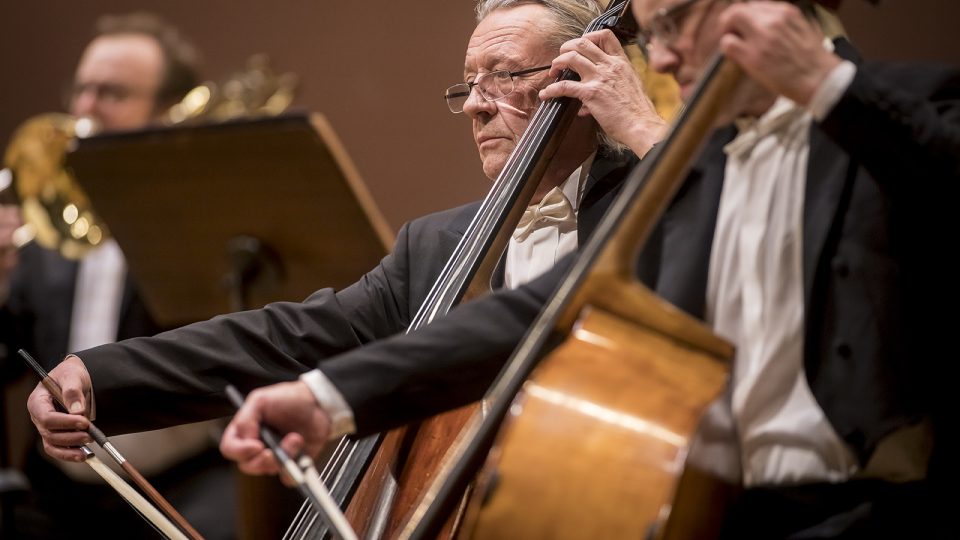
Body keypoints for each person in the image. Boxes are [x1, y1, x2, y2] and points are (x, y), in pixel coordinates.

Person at [204, 0, 957, 537]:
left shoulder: (911, 108)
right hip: (718, 513)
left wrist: (825, 84)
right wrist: (328, 396)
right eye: (649, 32)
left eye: (673, 26)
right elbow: (541, 310)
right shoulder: (704, 169)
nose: (657, 58)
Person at [25, 0, 665, 526]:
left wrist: (646, 129)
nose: (476, 103)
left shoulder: (664, 206)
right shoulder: (439, 244)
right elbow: (288, 337)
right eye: (469, 84)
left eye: (505, 76)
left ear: (585, 78)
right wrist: (103, 376)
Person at [0, 13, 241, 539]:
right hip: (58, 486)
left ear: (167, 111)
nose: (84, 108)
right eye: (80, 88)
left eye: (110, 92)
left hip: (183, 483)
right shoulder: (48, 224)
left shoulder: (205, 223)